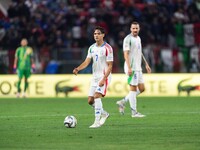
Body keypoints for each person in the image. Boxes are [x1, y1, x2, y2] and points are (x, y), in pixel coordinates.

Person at [73, 26, 113, 128]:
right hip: (95, 77)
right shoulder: (91, 48)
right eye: (95, 34)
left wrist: (104, 79)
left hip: (104, 76)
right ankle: (104, 114)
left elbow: (110, 66)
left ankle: (97, 122)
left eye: (98, 33)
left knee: (96, 96)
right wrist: (78, 68)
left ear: (103, 35)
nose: (96, 35)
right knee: (90, 101)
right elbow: (87, 62)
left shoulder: (107, 48)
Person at [116, 21, 151, 117]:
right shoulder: (128, 39)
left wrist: (146, 64)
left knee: (142, 89)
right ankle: (134, 112)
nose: (135, 30)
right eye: (133, 28)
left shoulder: (138, 38)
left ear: (139, 29)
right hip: (131, 67)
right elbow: (125, 54)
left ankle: (123, 101)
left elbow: (140, 52)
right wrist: (129, 67)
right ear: (130, 29)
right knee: (133, 89)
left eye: (136, 28)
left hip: (138, 67)